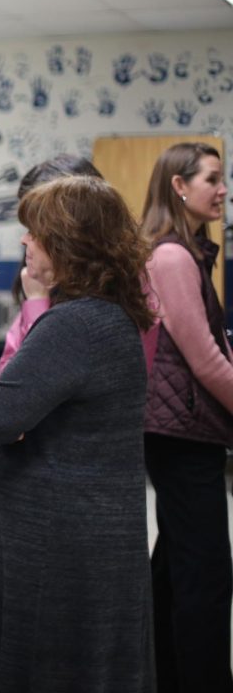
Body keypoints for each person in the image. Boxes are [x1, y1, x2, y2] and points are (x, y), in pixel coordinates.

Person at [0, 175, 156, 692]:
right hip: (88, 535)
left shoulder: (75, 326)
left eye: (36, 233)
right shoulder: (110, 316)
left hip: (59, 545)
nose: (24, 242)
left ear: (70, 244)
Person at [139, 142, 233, 693]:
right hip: (182, 435)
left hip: (179, 431)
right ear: (179, 185)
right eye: (212, 179)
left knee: (176, 569)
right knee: (206, 574)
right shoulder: (173, 256)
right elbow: (206, 360)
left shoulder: (187, 252)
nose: (222, 190)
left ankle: (162, 676)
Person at [0, 155, 102, 374]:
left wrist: (36, 302)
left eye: (37, 227)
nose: (25, 239)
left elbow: (40, 378)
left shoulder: (105, 304)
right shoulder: (39, 277)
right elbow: (7, 374)